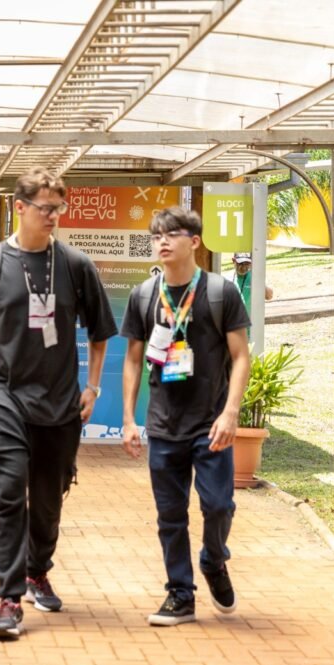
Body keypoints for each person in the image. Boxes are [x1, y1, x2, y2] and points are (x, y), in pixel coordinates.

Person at [0, 167, 117, 640]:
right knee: (7, 494)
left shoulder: (74, 266)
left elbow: (101, 331)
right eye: (45, 208)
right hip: (3, 396)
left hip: (61, 401)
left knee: (47, 500)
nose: (53, 217)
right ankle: (8, 597)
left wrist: (94, 387)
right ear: (20, 207)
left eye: (58, 209)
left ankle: (37, 568)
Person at [120, 207, 251, 627]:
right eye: (156, 234)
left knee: (218, 506)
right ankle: (180, 594)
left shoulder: (219, 293)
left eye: (171, 234)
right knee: (170, 516)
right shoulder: (144, 295)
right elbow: (134, 359)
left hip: (211, 423)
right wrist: (128, 418)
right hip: (163, 426)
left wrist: (231, 413)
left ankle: (214, 559)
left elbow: (241, 356)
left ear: (194, 242)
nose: (161, 241)